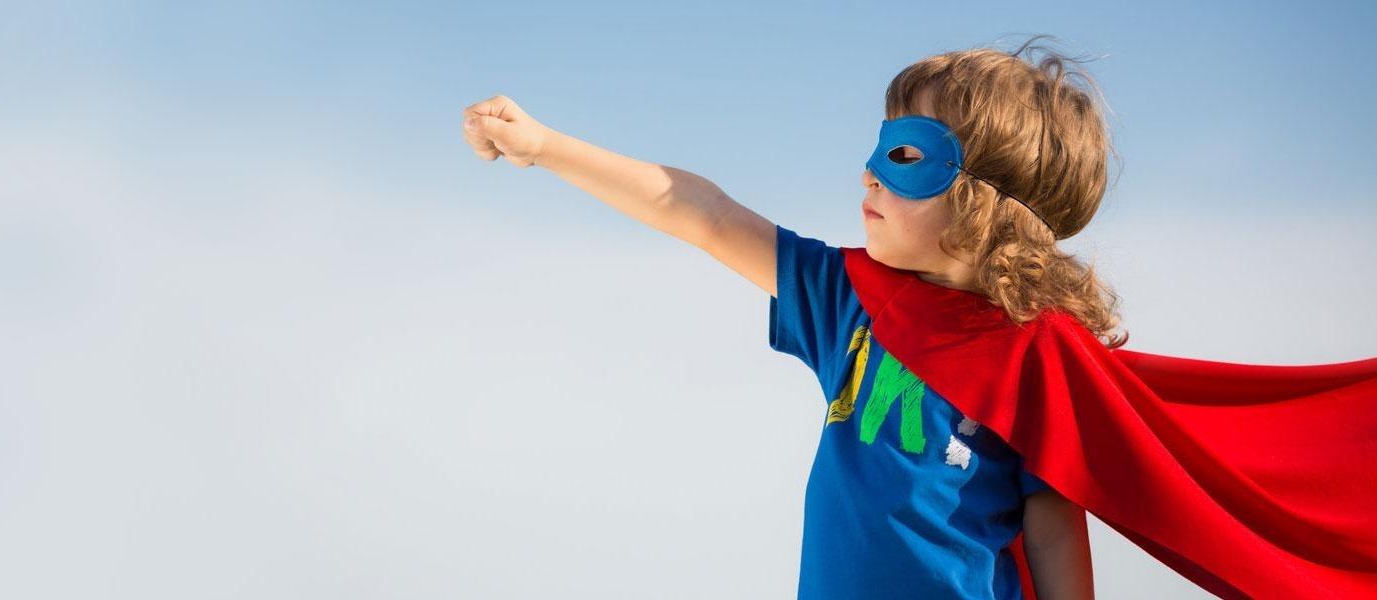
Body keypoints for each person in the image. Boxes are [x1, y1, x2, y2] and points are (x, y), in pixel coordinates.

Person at [461, 37, 1377, 600]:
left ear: (981, 200)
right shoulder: (846, 299)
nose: (866, 171)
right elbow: (698, 213)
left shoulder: (1038, 353)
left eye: (902, 154)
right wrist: (545, 147)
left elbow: (1055, 522)